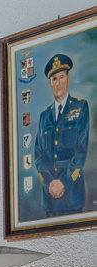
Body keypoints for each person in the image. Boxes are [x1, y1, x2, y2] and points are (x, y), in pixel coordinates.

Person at [33, 54, 89, 218]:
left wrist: (64, 182)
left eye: (61, 77)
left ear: (68, 78)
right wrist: (50, 183)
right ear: (50, 83)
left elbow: (81, 152)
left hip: (72, 192)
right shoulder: (44, 116)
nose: (58, 83)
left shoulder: (80, 107)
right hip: (49, 195)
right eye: (54, 79)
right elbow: (38, 156)